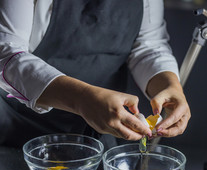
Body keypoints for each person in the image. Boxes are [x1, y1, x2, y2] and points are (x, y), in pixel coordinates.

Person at [0, 0, 191, 148]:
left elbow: (149, 47)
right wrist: (83, 99)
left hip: (104, 127)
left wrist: (169, 86)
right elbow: (7, 53)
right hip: (20, 126)